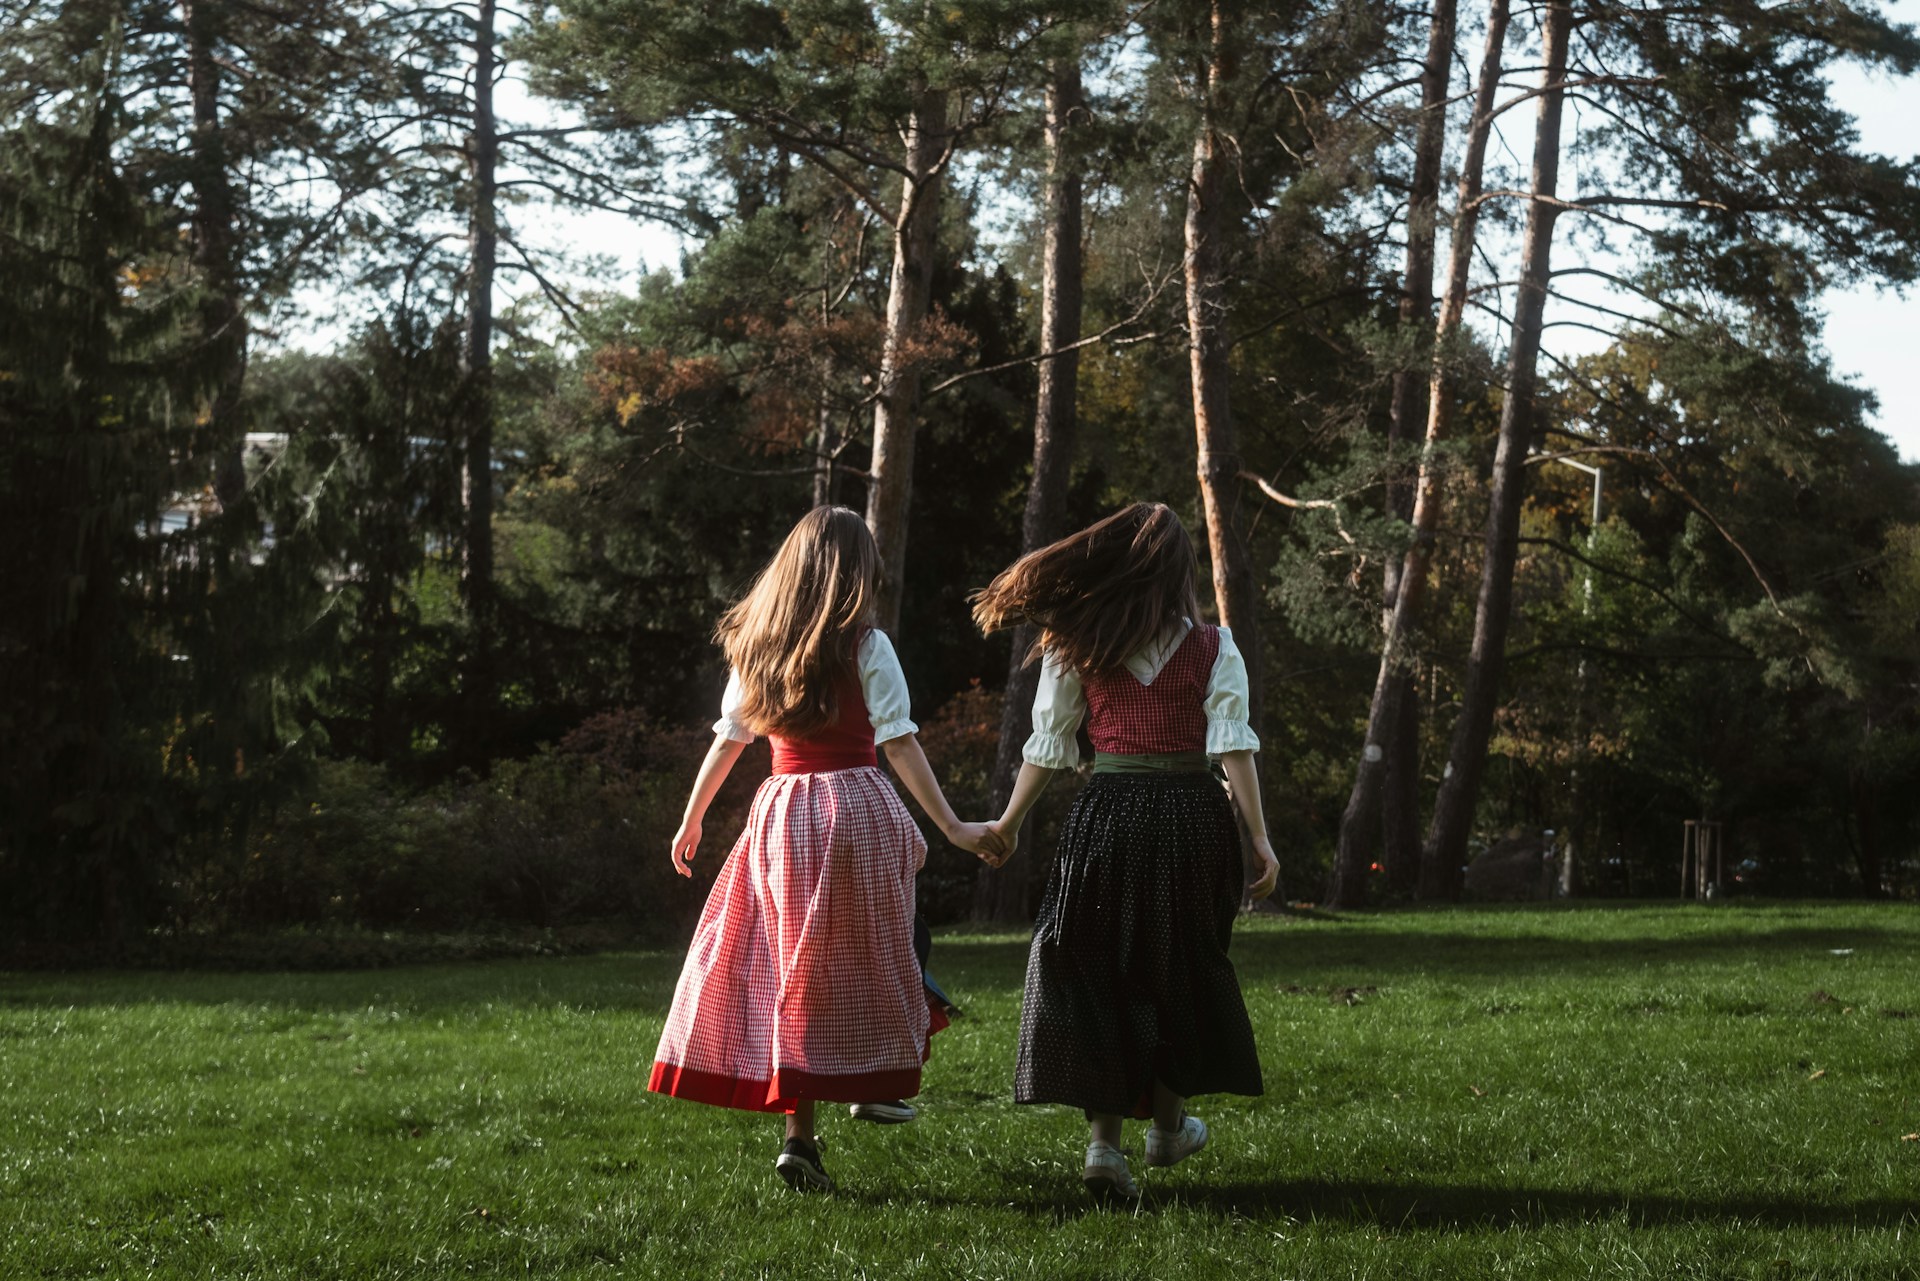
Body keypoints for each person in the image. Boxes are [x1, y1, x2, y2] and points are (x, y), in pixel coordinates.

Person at [650, 506, 1006, 1193]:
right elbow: (898, 739)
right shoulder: (866, 644)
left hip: (784, 814)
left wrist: (692, 817)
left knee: (796, 967)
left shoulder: (757, 644)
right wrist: (954, 825)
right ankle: (868, 1080)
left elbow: (729, 738)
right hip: (857, 810)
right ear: (856, 573)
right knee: (881, 945)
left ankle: (800, 1137)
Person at [973, 501, 1280, 1201]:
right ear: (1181, 572)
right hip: (1191, 817)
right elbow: (1231, 745)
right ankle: (1168, 1129)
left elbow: (1048, 744)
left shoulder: (1076, 642)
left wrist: (1013, 820)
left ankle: (1103, 1147)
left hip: (1106, 815)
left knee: (1100, 969)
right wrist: (1258, 836)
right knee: (1182, 963)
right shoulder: (1214, 646)